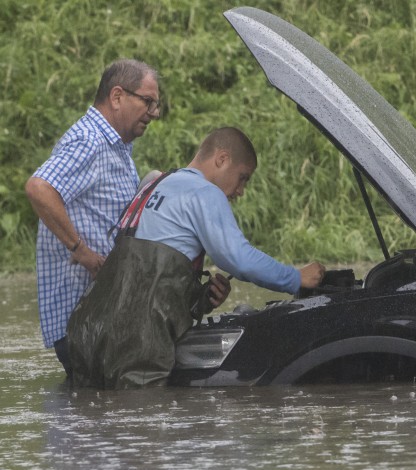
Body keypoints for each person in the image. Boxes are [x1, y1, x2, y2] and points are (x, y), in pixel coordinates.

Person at [66, 127, 326, 389]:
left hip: (88, 332)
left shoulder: (152, 183)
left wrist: (200, 299)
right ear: (222, 159)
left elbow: (140, 280)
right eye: (243, 178)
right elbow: (238, 259)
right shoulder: (205, 192)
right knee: (141, 420)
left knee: (95, 417)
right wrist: (296, 277)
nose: (241, 191)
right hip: (137, 342)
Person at [25, 59, 162, 378]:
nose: (155, 112)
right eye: (148, 101)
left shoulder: (116, 147)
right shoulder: (91, 141)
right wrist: (81, 251)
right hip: (84, 320)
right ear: (117, 96)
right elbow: (39, 188)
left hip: (99, 316)